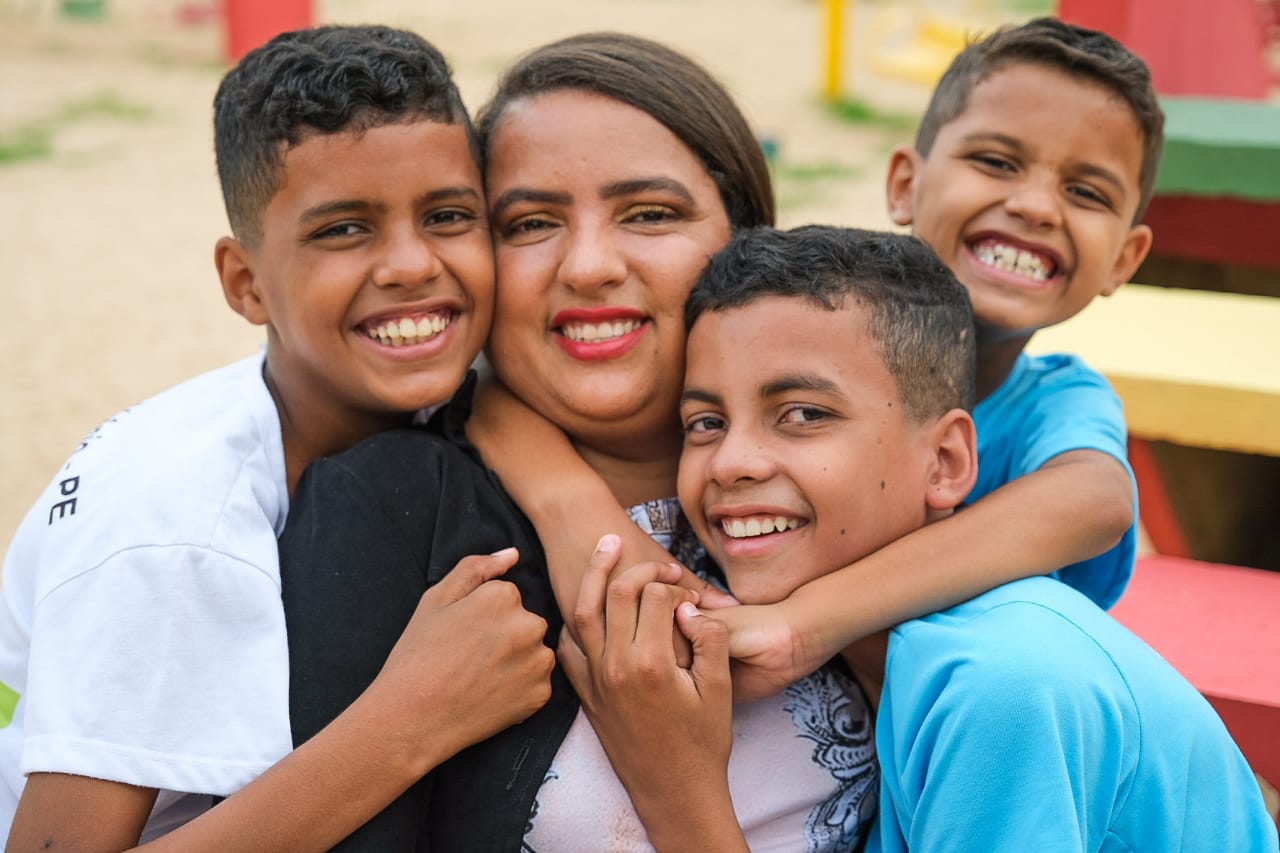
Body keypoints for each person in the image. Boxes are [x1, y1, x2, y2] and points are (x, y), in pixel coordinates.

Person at [280, 32, 880, 850]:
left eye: (650, 213)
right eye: (530, 223)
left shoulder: (851, 476)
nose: (591, 265)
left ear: (746, 237)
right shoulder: (389, 507)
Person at [470, 15, 1163, 701]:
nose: (1035, 206)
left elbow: (1097, 499)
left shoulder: (1058, 399)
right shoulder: (823, 319)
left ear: (1126, 259)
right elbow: (489, 396)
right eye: (995, 161)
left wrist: (807, 622)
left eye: (1086, 192)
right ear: (902, 185)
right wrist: (572, 505)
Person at [0, 25, 555, 849]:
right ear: (245, 281)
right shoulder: (175, 520)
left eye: (446, 215)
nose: (409, 263)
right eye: (343, 229)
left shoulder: (424, 405)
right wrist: (412, 719)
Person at [561, 224, 1278, 852]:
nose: (733, 462)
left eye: (804, 413)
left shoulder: (1001, 685)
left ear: (946, 463)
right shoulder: (896, 660)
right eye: (705, 423)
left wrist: (676, 791)